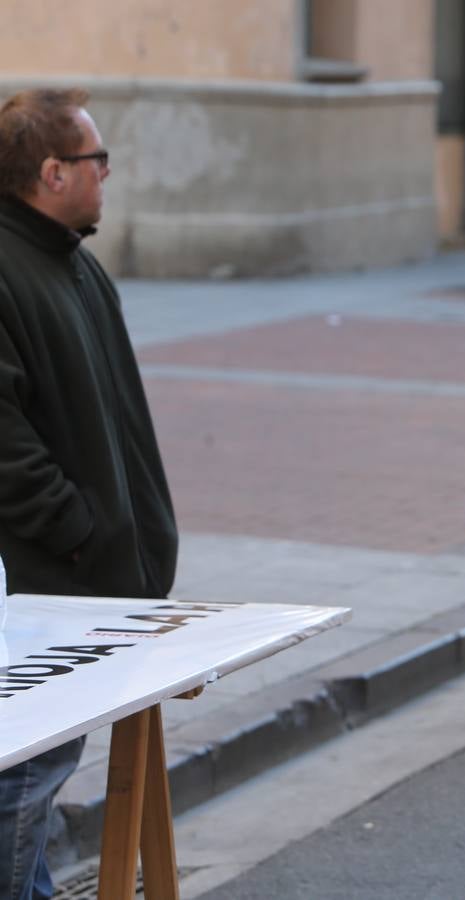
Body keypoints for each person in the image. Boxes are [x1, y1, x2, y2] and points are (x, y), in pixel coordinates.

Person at [0, 88, 178, 900]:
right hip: (45, 590)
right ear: (50, 172)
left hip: (89, 578)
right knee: (20, 784)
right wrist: (81, 533)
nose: (107, 174)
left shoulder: (71, 260)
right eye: (95, 160)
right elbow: (8, 448)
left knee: (34, 785)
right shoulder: (13, 269)